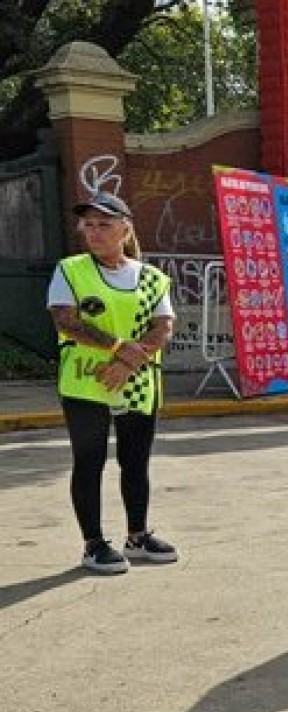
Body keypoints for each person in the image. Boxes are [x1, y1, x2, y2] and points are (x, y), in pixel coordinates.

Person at [46, 191, 180, 575]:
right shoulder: (71, 269)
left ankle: (137, 535)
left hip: (138, 381)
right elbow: (66, 321)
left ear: (125, 228)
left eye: (104, 224)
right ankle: (93, 544)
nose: (94, 231)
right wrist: (121, 349)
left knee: (135, 462)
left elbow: (163, 326)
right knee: (89, 462)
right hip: (86, 382)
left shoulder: (153, 278)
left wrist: (128, 362)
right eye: (88, 224)